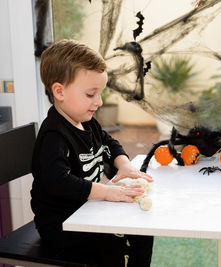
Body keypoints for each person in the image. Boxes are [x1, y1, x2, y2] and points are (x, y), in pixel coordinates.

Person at [30, 39, 154, 267]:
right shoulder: (53, 136)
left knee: (142, 231)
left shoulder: (86, 122)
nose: (99, 101)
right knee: (113, 242)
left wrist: (123, 164)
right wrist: (106, 192)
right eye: (90, 94)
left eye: (100, 93)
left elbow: (109, 143)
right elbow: (58, 181)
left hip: (88, 209)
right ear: (59, 91)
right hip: (63, 224)